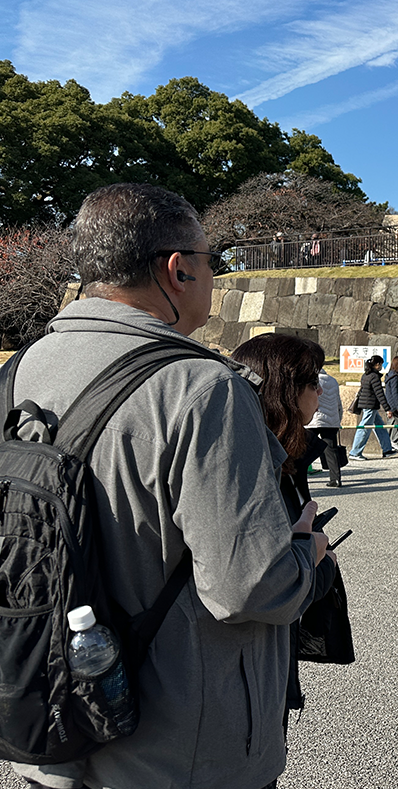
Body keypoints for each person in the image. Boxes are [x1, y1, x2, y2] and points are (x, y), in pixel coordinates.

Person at [4, 183, 325, 789]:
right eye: (210, 262)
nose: (213, 276)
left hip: (43, 725)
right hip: (178, 751)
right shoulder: (200, 389)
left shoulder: (18, 370)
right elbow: (248, 587)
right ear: (177, 269)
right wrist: (306, 555)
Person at [231, 334, 340, 732]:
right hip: (247, 670)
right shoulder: (255, 470)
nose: (319, 389)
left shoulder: (284, 456)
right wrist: (317, 558)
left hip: (267, 659)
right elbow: (262, 586)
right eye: (313, 381)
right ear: (284, 392)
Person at [348, 355, 398, 461]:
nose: (381, 366)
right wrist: (387, 408)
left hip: (369, 405)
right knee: (364, 429)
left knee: (380, 427)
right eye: (381, 364)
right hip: (370, 406)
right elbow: (379, 394)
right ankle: (355, 452)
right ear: (377, 364)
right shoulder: (374, 377)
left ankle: (387, 449)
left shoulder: (366, 375)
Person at [305, 366, 345, 488]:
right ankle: (336, 479)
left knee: (306, 449)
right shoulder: (333, 380)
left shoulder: (311, 380)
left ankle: (301, 477)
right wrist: (338, 419)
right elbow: (338, 402)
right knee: (331, 450)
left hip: (314, 420)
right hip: (331, 421)